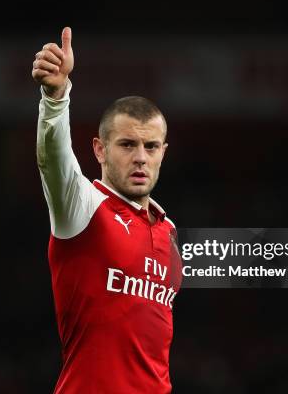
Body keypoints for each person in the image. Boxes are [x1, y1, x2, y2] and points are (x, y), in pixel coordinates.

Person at [33, 26, 181, 393]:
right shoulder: (83, 208)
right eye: (127, 144)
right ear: (99, 150)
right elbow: (53, 159)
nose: (141, 158)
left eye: (151, 146)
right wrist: (55, 99)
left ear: (164, 151)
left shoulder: (169, 231)